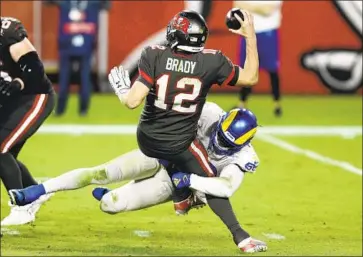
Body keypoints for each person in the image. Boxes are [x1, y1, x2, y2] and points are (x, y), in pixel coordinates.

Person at [10, 102, 267, 253]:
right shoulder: (208, 112)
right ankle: (37, 190)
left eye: (227, 143)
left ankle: (110, 194)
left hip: (173, 182)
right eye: (219, 135)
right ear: (221, 121)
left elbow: (225, 188)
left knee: (110, 205)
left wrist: (190, 182)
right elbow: (168, 124)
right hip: (161, 156)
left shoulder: (243, 158)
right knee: (101, 172)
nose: (218, 143)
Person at [108, 9, 258, 247]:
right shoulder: (212, 61)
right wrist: (250, 35)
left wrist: (121, 91)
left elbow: (132, 102)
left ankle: (180, 193)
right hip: (180, 144)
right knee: (210, 178)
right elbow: (250, 77)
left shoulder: (154, 54)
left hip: (147, 139)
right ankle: (240, 236)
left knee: (165, 156)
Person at [0, 17, 55, 226]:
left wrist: (19, 81)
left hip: (34, 95)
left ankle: (21, 206)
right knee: (7, 155)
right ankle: (34, 191)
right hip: (11, 101)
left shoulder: (6, 33)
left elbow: (34, 68)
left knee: (1, 149)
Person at [45, 0, 110, 116]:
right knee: (83, 79)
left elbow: (47, 2)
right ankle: (83, 110)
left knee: (65, 80)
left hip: (67, 46)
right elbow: (107, 5)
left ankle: (60, 110)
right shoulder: (92, 4)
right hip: (85, 46)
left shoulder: (66, 3)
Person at [233, 1, 283, 116]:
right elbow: (237, 6)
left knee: (272, 69)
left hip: (267, 32)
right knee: (246, 68)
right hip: (248, 31)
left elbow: (268, 10)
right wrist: (257, 8)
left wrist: (248, 7)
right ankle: (242, 103)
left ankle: (277, 103)